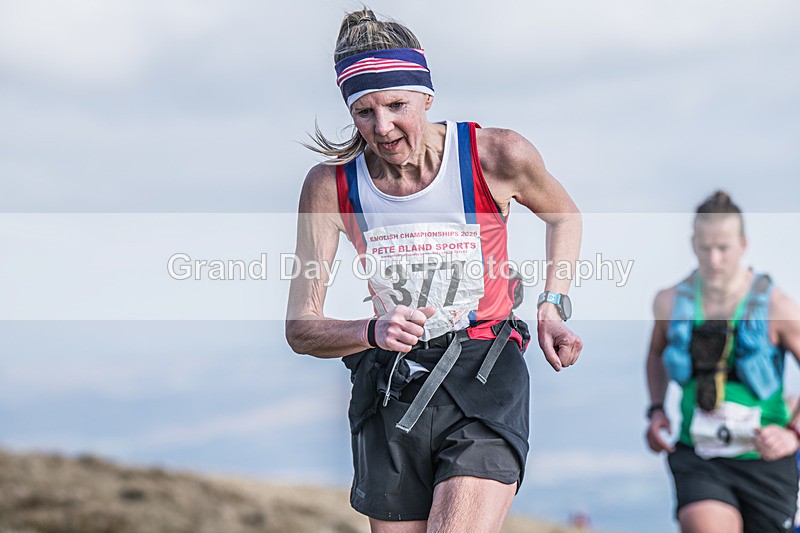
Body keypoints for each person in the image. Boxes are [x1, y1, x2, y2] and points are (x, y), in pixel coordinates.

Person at [285, 8, 583, 532]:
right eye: (363, 111)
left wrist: (552, 305)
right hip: (391, 383)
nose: (383, 127)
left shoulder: (494, 155)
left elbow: (564, 216)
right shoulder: (330, 187)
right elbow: (300, 327)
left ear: (427, 94)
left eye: (397, 105)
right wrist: (370, 330)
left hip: (484, 372)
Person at [644, 191, 800, 533]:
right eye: (705, 247)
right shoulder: (669, 302)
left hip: (766, 460)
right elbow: (655, 353)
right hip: (699, 456)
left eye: (723, 248)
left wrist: (793, 433)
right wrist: (656, 409)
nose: (713, 259)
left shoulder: (779, 307)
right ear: (692, 243)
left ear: (743, 245)